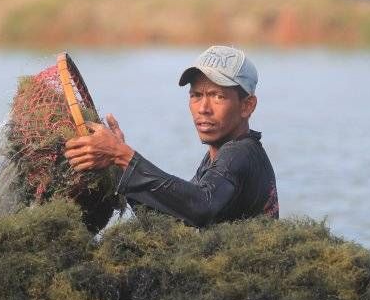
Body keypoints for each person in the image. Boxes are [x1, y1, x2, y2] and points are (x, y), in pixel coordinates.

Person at [64, 45, 279, 228]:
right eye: (196, 95)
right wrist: (118, 165)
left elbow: (202, 206)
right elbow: (176, 220)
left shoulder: (240, 152)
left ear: (247, 106)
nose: (203, 108)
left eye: (218, 96)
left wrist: (123, 156)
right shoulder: (215, 157)